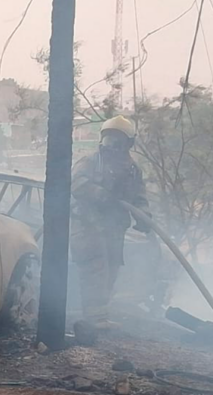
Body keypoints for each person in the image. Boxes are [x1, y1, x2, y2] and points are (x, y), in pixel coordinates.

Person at [70, 115, 150, 328]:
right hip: (88, 226)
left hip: (114, 229)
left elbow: (139, 196)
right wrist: (101, 194)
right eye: (108, 139)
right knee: (96, 268)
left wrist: (144, 216)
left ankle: (100, 316)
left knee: (112, 269)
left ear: (128, 143)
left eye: (117, 141)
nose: (112, 145)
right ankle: (94, 319)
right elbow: (76, 183)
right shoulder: (91, 161)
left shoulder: (133, 169)